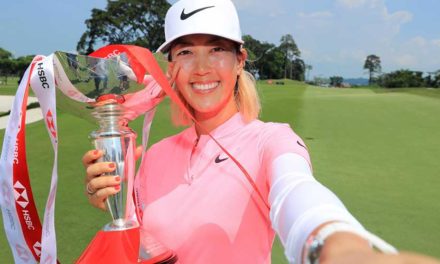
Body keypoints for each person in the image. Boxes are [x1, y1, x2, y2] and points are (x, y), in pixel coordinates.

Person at [82, 0, 440, 263]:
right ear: (171, 66)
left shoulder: (271, 140)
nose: (202, 68)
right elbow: (145, 245)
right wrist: (114, 202)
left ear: (240, 61)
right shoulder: (155, 153)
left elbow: (296, 190)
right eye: (187, 52)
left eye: (217, 50)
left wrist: (338, 247)